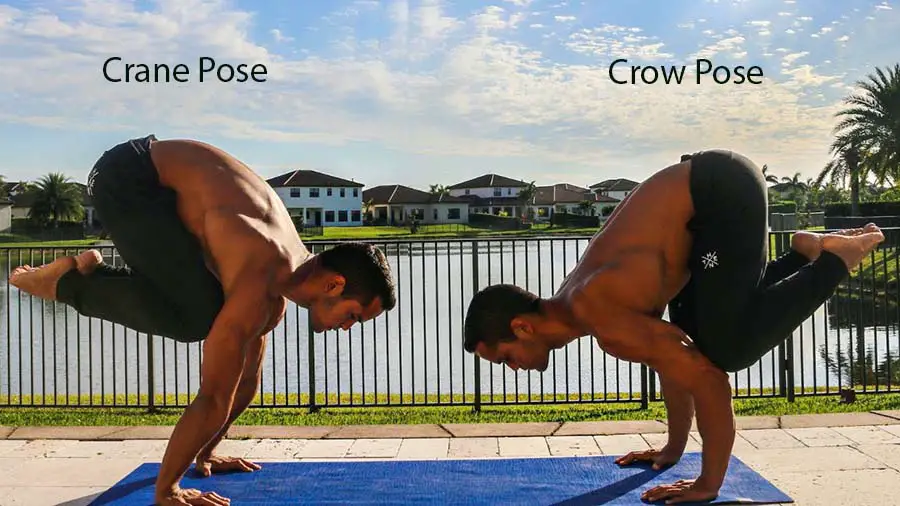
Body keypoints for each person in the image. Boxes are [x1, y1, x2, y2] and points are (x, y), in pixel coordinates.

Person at [462, 149, 884, 504]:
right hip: (707, 195)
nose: (511, 368)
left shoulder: (599, 314)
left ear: (522, 328)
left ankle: (836, 259)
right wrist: (674, 447)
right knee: (704, 338)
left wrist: (707, 485)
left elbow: (708, 380)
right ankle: (800, 257)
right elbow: (669, 363)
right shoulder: (582, 302)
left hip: (720, 191)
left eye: (502, 358)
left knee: (726, 352)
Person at [9, 135, 396, 506]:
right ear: (334, 284)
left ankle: (89, 274)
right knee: (195, 317)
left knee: (213, 315)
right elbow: (212, 396)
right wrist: (168, 489)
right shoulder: (260, 277)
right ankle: (68, 283)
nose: (347, 328)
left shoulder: (281, 279)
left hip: (160, 181)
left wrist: (206, 454)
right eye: (354, 317)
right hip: (126, 177)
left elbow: (245, 383)